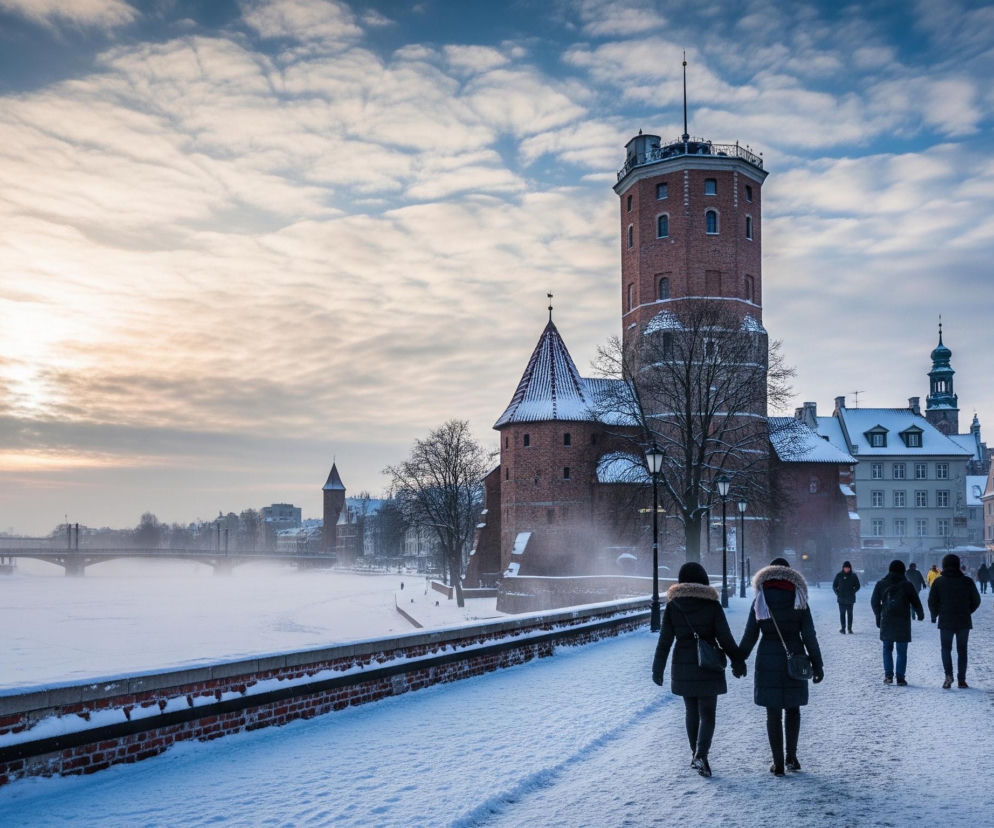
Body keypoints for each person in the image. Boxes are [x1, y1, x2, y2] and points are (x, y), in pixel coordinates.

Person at [652, 562, 745, 778]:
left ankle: (695, 753)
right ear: (704, 579)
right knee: (708, 713)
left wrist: (658, 668)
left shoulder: (674, 606)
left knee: (691, 711)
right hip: (708, 664)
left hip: (682, 664)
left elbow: (665, 640)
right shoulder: (712, 605)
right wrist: (737, 661)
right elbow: (725, 637)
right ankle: (701, 754)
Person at [737, 557, 824, 776]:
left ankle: (777, 764)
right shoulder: (799, 597)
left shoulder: (761, 598)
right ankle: (791, 757)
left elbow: (750, 634)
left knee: (773, 712)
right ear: (790, 573)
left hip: (767, 658)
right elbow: (809, 635)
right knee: (793, 709)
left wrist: (739, 659)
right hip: (795, 657)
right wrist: (817, 664)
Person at [928, 553, 982, 688]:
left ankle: (948, 675)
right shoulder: (967, 581)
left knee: (946, 649)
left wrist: (935, 615)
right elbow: (976, 600)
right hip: (963, 621)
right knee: (962, 650)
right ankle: (962, 680)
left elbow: (932, 601)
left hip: (946, 620)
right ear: (958, 565)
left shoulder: (939, 582)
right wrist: (967, 611)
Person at [869, 560, 925, 685]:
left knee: (887, 649)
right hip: (902, 621)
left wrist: (879, 616)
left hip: (887, 620)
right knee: (902, 650)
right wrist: (920, 614)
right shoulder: (907, 585)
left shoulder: (881, 584)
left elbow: (874, 602)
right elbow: (915, 601)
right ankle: (900, 678)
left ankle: (888, 676)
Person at [832, 561, 860, 633]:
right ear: (843, 568)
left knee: (850, 614)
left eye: (848, 568)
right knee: (842, 614)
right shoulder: (839, 575)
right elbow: (834, 586)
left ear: (850, 568)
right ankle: (843, 628)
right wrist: (837, 593)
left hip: (850, 598)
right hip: (841, 598)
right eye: (845, 568)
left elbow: (858, 586)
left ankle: (849, 629)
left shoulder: (853, 576)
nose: (847, 569)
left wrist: (853, 591)